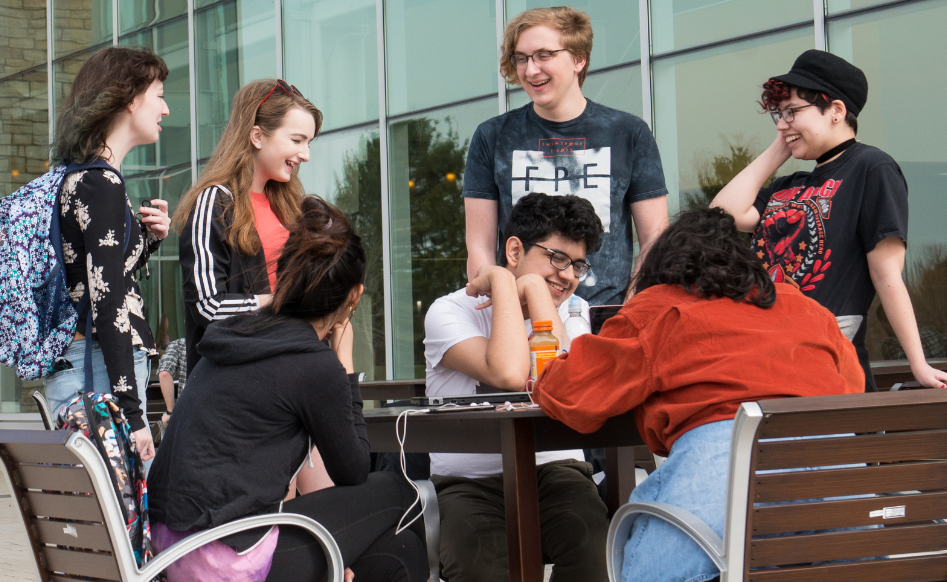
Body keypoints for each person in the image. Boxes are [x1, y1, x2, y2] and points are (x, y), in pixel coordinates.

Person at [532, 207, 865, 582]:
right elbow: (852, 387)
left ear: (662, 270)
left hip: (723, 473)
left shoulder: (660, 306)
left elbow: (566, 392)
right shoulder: (806, 308)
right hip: (840, 488)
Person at [148, 197, 427, 582]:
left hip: (170, 549)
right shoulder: (315, 365)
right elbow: (353, 469)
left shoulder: (235, 335)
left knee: (398, 555)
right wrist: (343, 365)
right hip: (226, 556)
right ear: (354, 297)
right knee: (400, 491)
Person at [707, 49, 947, 391]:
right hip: (766, 365)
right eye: (779, 114)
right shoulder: (786, 186)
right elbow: (722, 215)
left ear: (836, 110)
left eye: (792, 112)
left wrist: (918, 363)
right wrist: (781, 146)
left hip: (828, 371)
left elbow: (886, 275)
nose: (782, 123)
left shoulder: (871, 168)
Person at [421, 192, 606, 581]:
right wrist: (506, 284)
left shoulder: (575, 313)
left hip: (555, 470)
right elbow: (506, 373)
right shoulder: (450, 311)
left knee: (591, 547)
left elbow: (563, 380)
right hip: (468, 482)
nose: (569, 275)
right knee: (481, 565)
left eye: (578, 265)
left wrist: (536, 292)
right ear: (515, 250)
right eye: (557, 258)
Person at [463, 7, 668, 306]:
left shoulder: (628, 133)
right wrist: (503, 302)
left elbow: (655, 239)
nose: (531, 70)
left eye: (544, 55)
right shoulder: (492, 136)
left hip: (607, 318)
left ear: (578, 58)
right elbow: (479, 245)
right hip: (521, 317)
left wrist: (631, 310)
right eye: (521, 58)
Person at [41, 46, 175, 462]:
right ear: (130, 98)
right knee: (128, 515)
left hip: (81, 366)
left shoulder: (73, 178)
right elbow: (108, 302)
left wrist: (147, 240)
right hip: (99, 372)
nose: (166, 109)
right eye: (159, 94)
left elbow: (89, 277)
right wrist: (133, 415)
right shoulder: (101, 185)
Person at [177, 78, 322, 372]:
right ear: (257, 136)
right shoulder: (214, 203)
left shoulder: (292, 207)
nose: (305, 154)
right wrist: (279, 302)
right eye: (297, 140)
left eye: (308, 142)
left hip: (289, 370)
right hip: (233, 384)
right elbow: (207, 306)